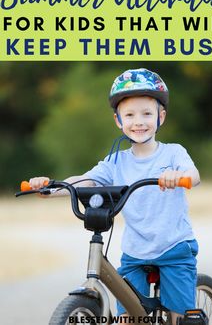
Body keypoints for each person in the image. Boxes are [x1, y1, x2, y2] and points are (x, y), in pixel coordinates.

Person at [30, 68, 200, 325]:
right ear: (118, 121)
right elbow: (86, 179)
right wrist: (52, 187)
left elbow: (194, 174)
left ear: (160, 116)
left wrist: (179, 176)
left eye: (147, 113)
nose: (138, 121)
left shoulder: (173, 154)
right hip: (135, 252)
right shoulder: (115, 162)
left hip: (173, 247)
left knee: (180, 319)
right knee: (128, 318)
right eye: (129, 115)